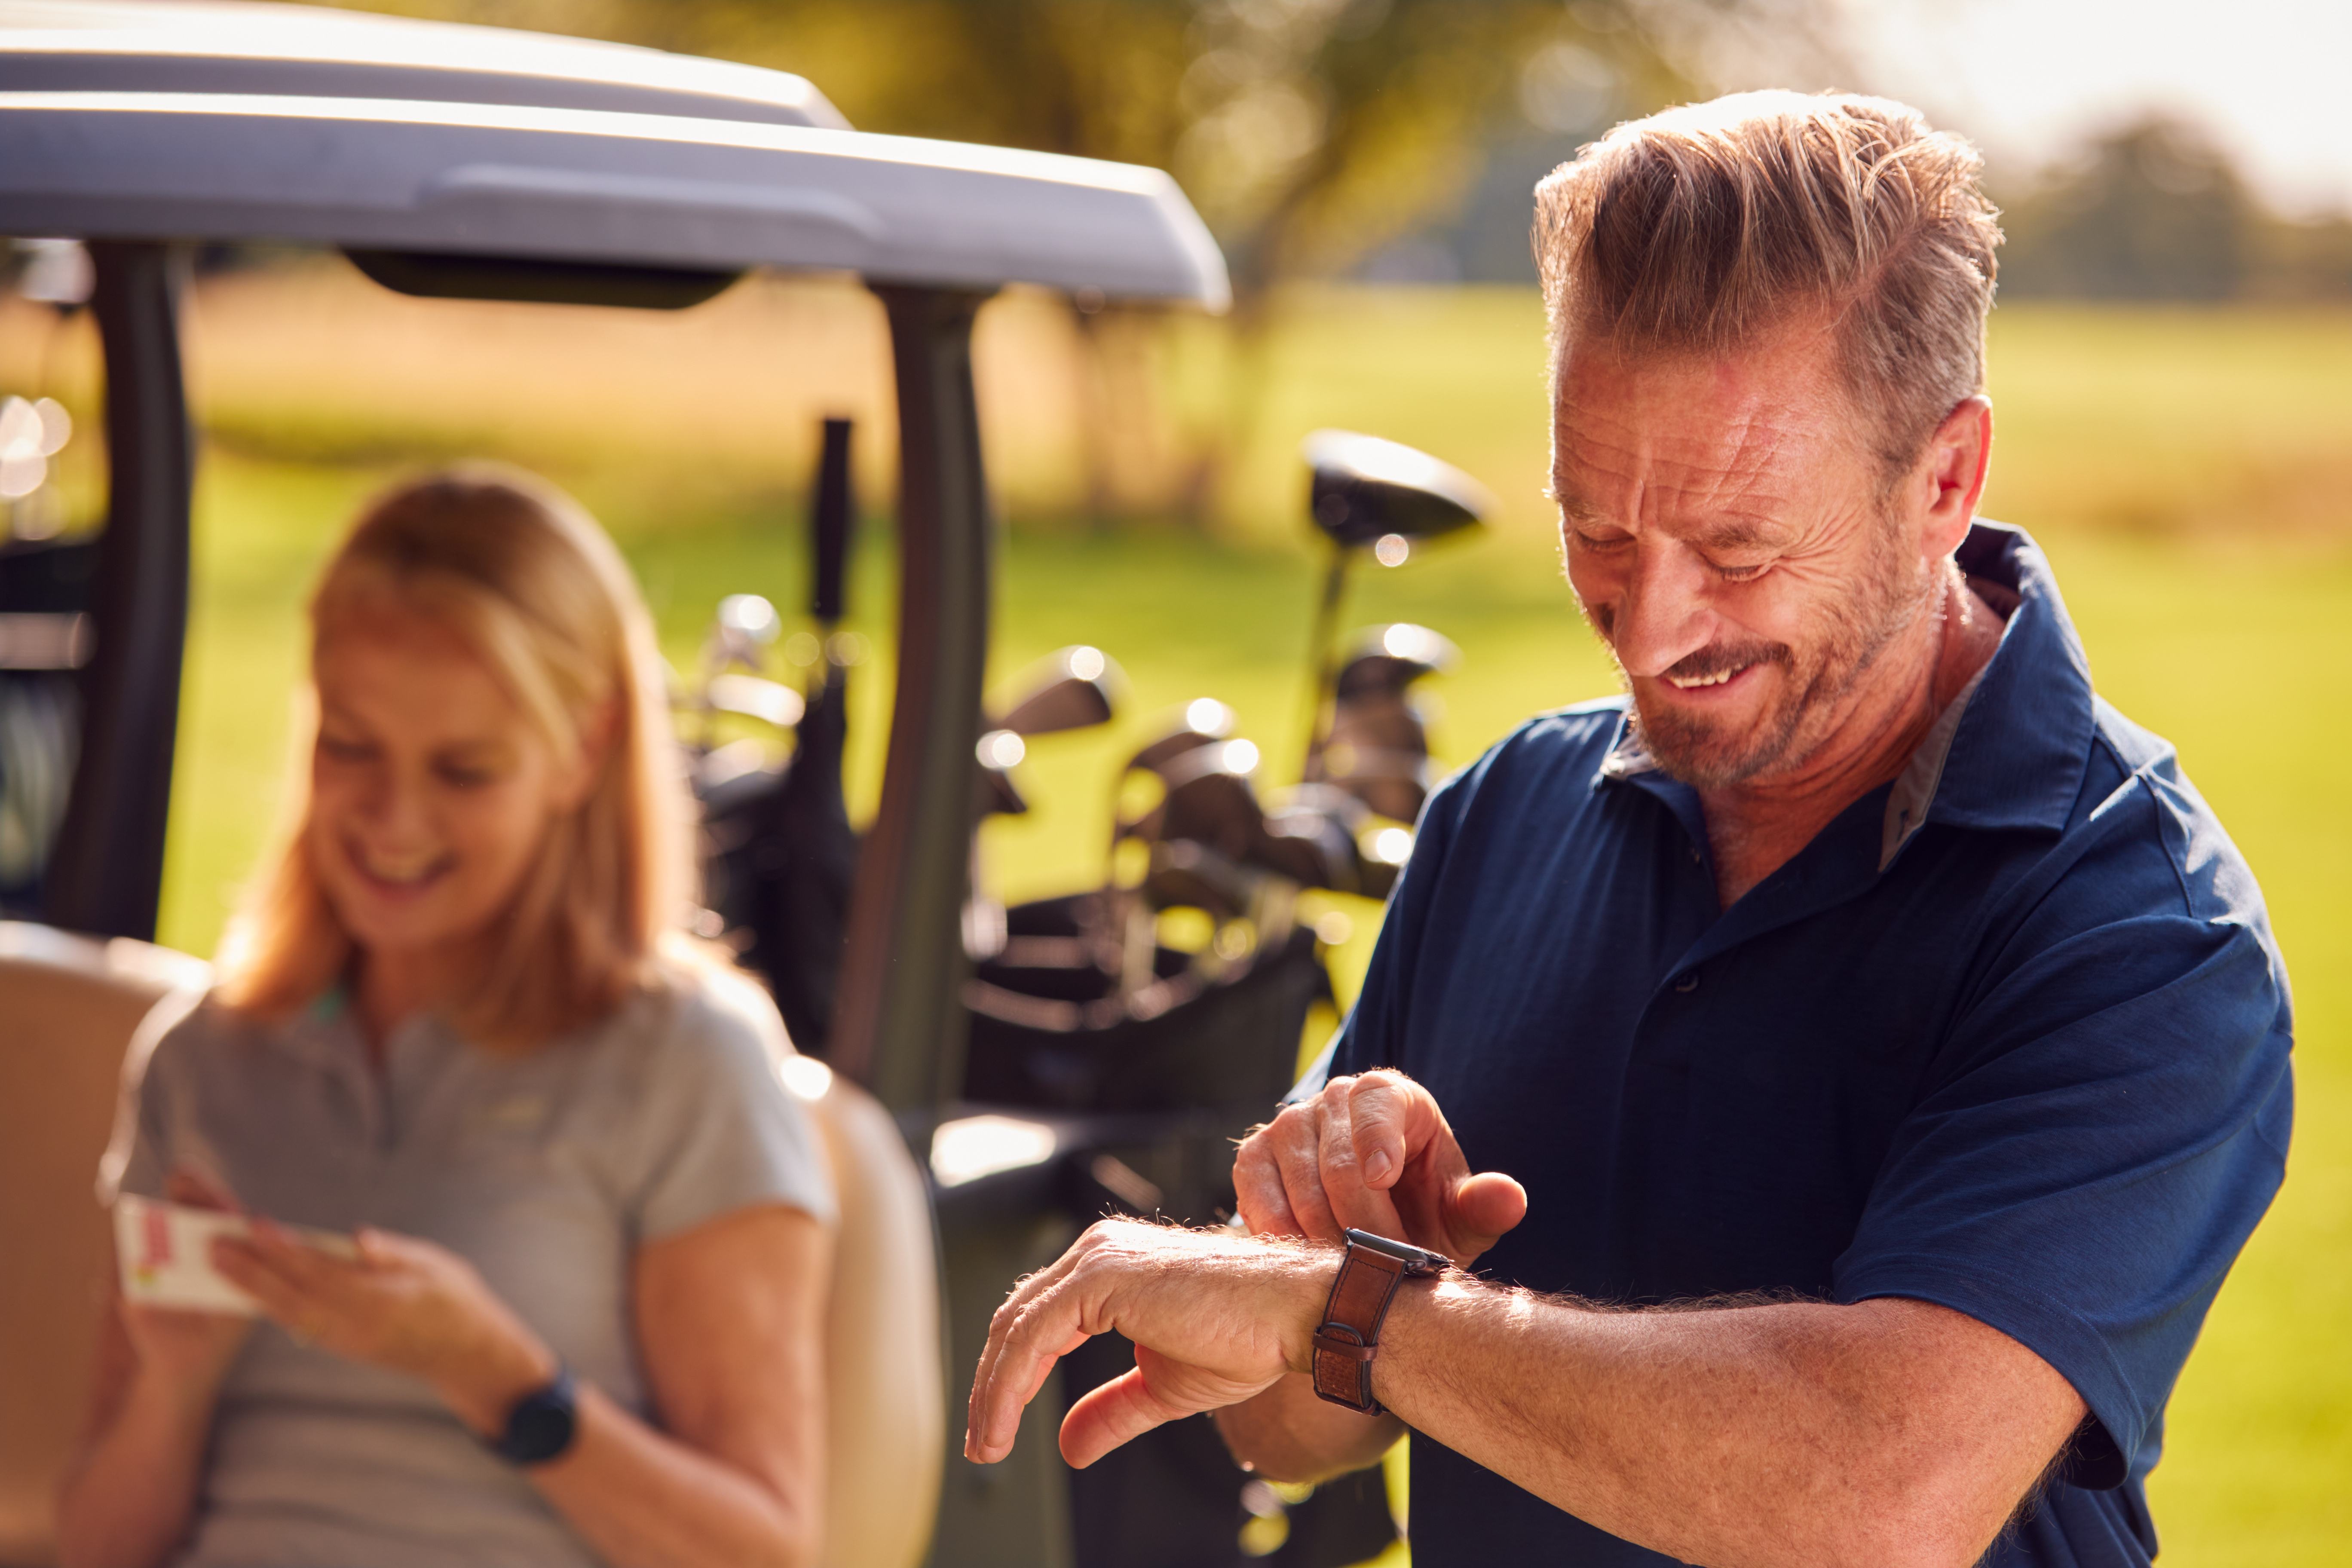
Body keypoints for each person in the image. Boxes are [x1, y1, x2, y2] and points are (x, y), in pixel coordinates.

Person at [961, 91, 2293, 1568]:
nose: (1651, 629)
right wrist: (1325, 1279)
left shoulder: (2140, 928)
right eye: (1596, 526)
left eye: (1737, 546)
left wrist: (1362, 1310)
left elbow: (1872, 1497)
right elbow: (1296, 1422)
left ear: (1945, 480)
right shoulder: (1502, 812)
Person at [56, 470, 836, 1568]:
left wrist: (497, 1378)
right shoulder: (206, 1059)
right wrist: (176, 1389)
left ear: (581, 750)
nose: (392, 820)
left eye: (463, 771)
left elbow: (765, 1551)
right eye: (351, 747)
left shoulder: (685, 1063)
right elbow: (95, 1548)